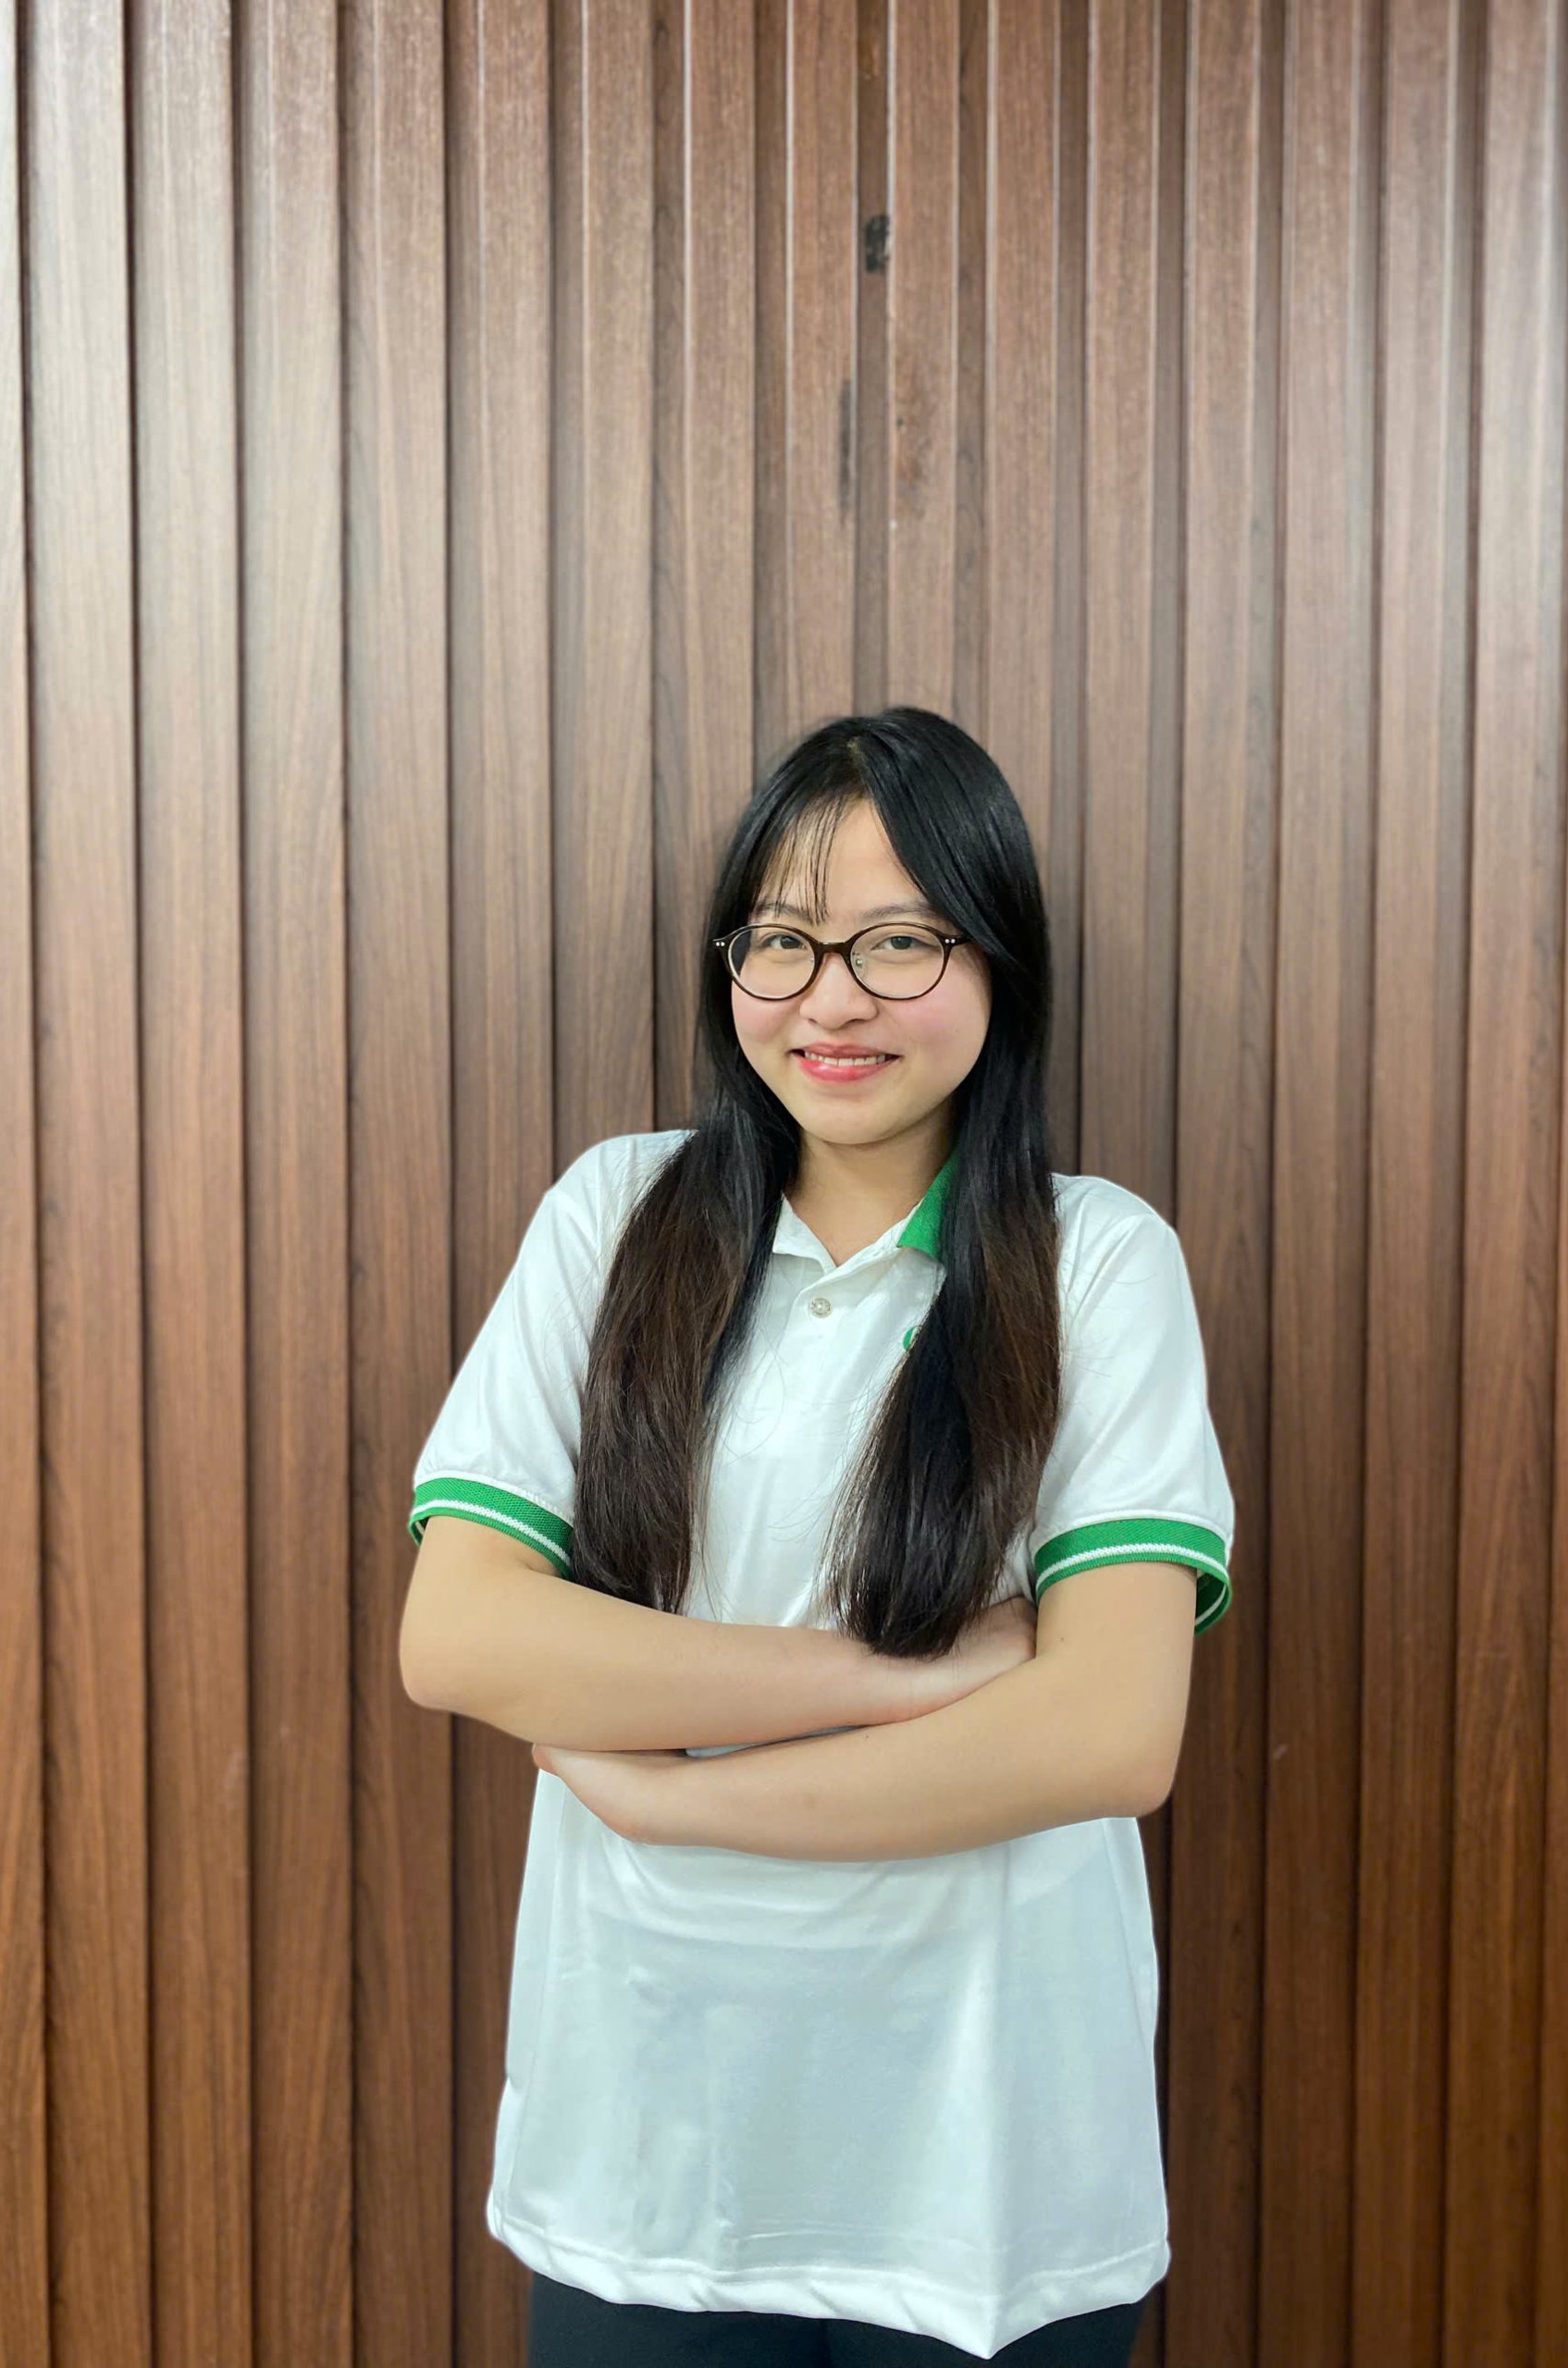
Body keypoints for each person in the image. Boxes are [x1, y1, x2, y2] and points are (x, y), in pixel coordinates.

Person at [400, 707, 1236, 2364]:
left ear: (999, 966)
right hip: (649, 2148)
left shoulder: (1098, 1262)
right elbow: (463, 1636)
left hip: (984, 2173)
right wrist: (900, 1676)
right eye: (781, 940)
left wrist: (672, 1797)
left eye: (899, 941)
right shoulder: (614, 1219)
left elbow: (1109, 1733)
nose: (830, 998)